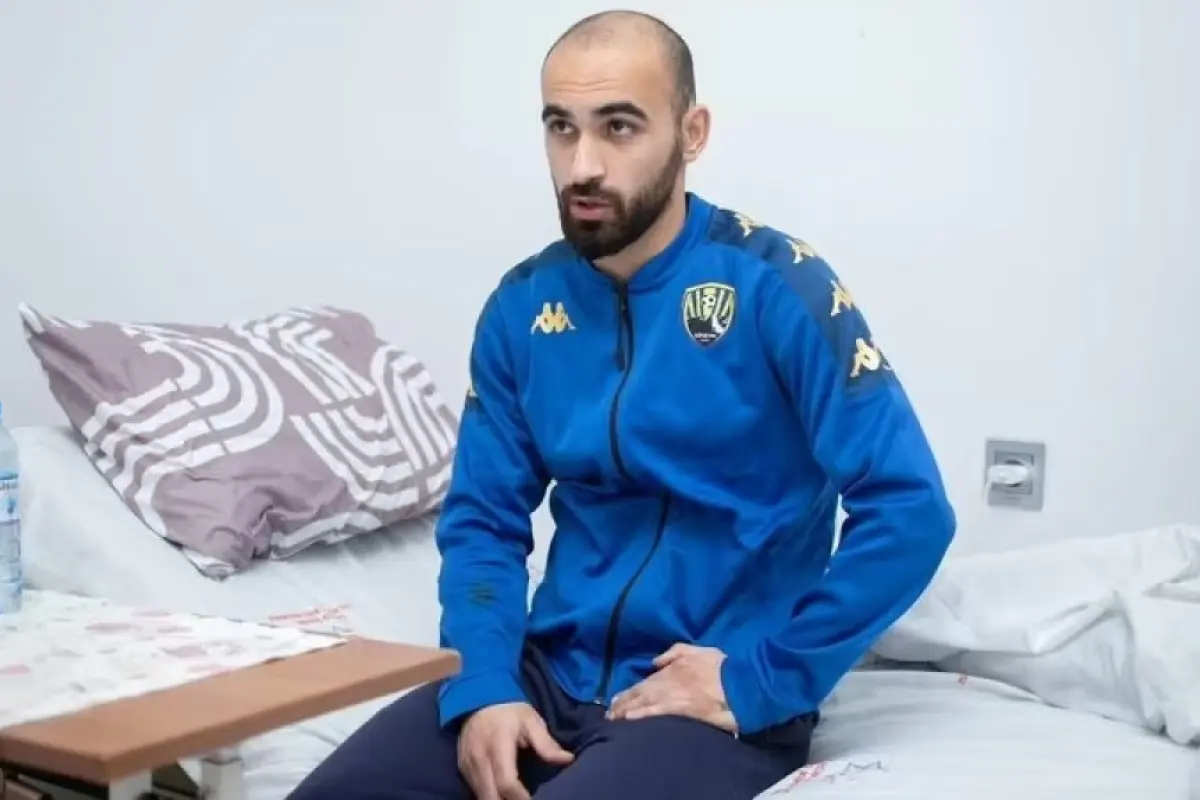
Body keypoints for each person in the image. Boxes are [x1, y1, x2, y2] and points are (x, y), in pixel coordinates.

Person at [288, 9, 955, 800]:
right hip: (545, 672)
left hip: (705, 692)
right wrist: (485, 685)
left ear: (691, 133)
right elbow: (483, 522)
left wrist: (763, 678)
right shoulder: (521, 308)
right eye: (561, 128)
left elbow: (910, 510)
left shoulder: (778, 286)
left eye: (619, 127)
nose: (583, 165)